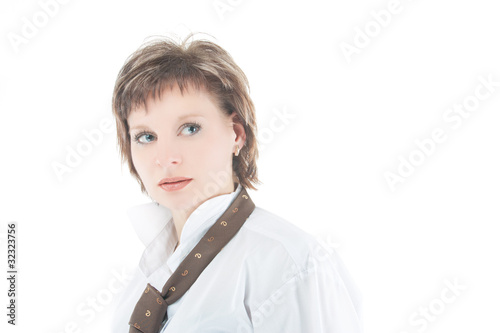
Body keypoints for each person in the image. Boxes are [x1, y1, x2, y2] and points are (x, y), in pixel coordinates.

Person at [110, 33, 362, 332]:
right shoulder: (144, 278)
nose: (166, 158)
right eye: (146, 136)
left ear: (237, 134)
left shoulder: (289, 263)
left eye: (190, 128)